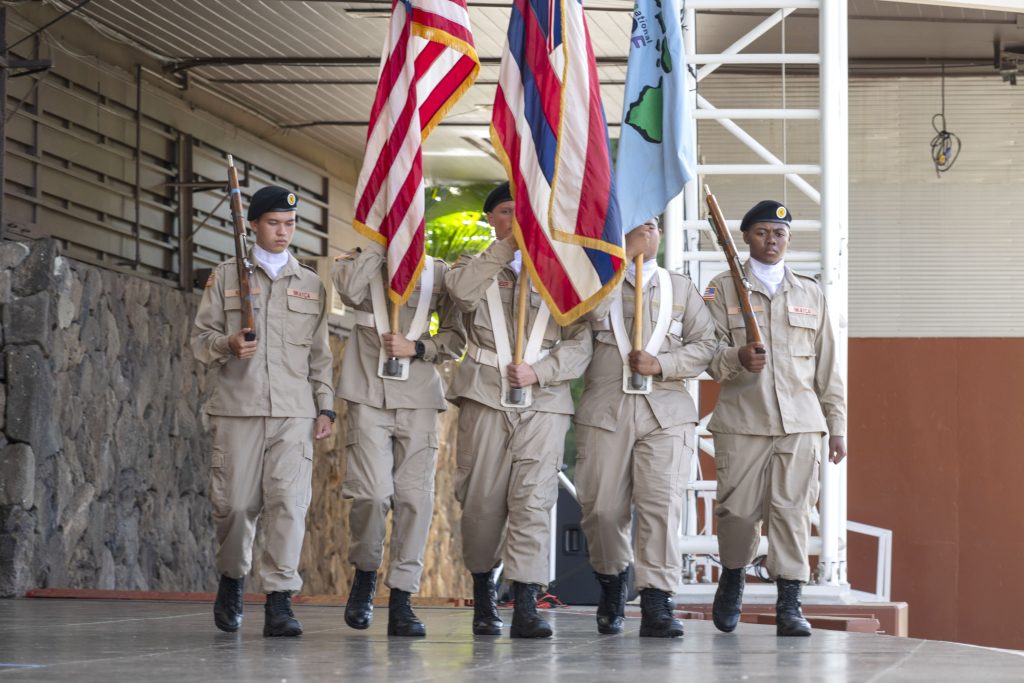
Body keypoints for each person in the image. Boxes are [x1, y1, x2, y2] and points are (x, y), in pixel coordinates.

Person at [444, 182, 593, 639]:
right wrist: (507, 247)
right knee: (482, 502)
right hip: (486, 395)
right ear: (492, 218)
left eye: (525, 214)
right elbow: (461, 294)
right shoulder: (474, 266)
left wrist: (543, 372)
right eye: (508, 212)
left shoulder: (563, 274)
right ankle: (484, 593)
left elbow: (581, 341)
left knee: (534, 499)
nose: (518, 220)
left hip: (544, 400)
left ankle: (527, 600)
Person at [191, 186, 335, 637]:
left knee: (289, 505)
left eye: (290, 224)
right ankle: (233, 579)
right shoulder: (226, 276)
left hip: (294, 412)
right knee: (235, 505)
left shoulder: (311, 283)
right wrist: (227, 344)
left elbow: (320, 354)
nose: (283, 231)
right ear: (253, 224)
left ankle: (279, 601)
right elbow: (199, 342)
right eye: (274, 222)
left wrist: (325, 405)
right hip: (239, 409)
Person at [703, 200, 847, 637]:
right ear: (746, 237)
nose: (772, 240)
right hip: (742, 422)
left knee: (793, 514)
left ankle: (790, 602)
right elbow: (705, 356)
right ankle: (732, 578)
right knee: (739, 515)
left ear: (789, 240)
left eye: (780, 233)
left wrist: (837, 426)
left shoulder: (809, 292)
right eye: (763, 232)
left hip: (800, 424)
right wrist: (736, 357)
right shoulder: (721, 288)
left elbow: (828, 368)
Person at [575, 218, 718, 638]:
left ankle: (657, 599)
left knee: (660, 506)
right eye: (637, 226)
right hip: (606, 411)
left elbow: (705, 345)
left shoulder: (680, 287)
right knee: (601, 510)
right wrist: (620, 261)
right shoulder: (596, 282)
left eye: (653, 225)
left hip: (667, 413)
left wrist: (664, 364)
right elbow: (579, 319)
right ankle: (612, 579)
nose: (647, 232)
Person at [331, 241, 465, 637]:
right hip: (367, 392)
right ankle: (366, 572)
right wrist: (373, 248)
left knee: (414, 498)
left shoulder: (439, 273)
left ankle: (403, 598)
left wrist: (419, 346)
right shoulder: (360, 263)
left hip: (420, 397)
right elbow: (349, 292)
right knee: (371, 495)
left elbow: (456, 340)